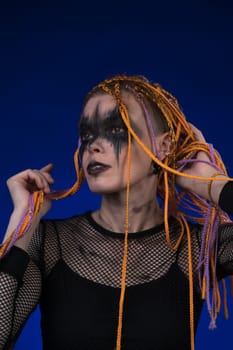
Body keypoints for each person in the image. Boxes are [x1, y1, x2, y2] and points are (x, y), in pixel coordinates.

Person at [0, 75, 233, 350]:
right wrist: (21, 223)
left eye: (115, 130)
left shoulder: (199, 245)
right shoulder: (48, 243)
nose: (94, 145)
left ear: (164, 146)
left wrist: (211, 183)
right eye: (87, 135)